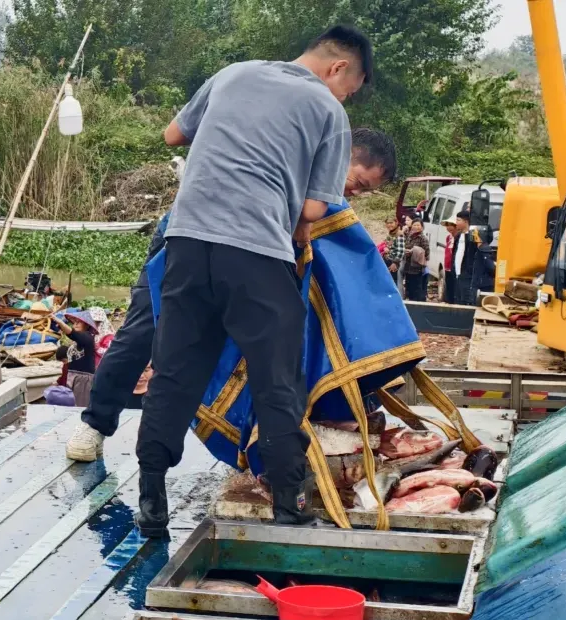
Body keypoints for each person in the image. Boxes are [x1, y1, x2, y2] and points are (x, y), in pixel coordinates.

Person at [124, 26, 375, 536]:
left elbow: (174, 135)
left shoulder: (232, 74)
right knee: (276, 380)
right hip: (257, 254)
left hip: (188, 245)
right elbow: (311, 207)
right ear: (338, 69)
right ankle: (289, 505)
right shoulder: (328, 112)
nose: (344, 96)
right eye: (350, 87)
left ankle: (151, 499)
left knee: (173, 372)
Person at [65, 126, 397, 475]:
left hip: (245, 265)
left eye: (364, 192)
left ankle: (250, 444)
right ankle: (95, 423)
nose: (354, 193)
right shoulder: (285, 153)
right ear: (343, 154)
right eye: (358, 182)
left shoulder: (327, 197)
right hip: (188, 239)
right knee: (143, 331)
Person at [61, 311, 99, 406]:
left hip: (83, 378)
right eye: (74, 322)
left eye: (79, 322)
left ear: (86, 325)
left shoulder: (87, 337)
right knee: (70, 404)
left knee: (79, 406)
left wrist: (58, 320)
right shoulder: (78, 340)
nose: (76, 324)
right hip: (73, 375)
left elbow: (71, 333)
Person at [404, 219, 430, 302]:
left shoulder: (423, 238)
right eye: (414, 225)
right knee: (409, 288)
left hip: (418, 268)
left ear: (422, 227)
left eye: (418, 225)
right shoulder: (409, 236)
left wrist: (414, 252)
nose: (416, 227)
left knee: (418, 289)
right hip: (408, 267)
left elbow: (426, 253)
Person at [442, 216, 461, 303]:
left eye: (451, 225)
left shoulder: (460, 238)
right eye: (447, 225)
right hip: (447, 266)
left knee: (455, 287)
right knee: (448, 286)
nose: (449, 228)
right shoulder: (448, 238)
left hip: (455, 267)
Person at [383, 216, 405, 288]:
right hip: (388, 260)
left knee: (393, 282)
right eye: (387, 223)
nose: (389, 225)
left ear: (396, 223)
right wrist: (385, 247)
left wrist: (395, 263)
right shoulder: (391, 234)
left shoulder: (399, 234)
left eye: (391, 223)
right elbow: (386, 244)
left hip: (393, 262)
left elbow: (400, 251)